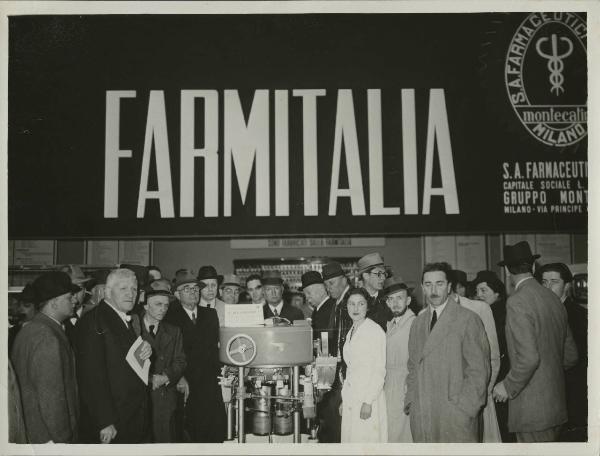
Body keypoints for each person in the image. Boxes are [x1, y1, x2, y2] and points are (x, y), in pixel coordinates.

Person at [492, 241, 578, 442]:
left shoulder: (517, 301)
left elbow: (529, 358)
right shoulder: (553, 299)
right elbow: (571, 356)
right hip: (556, 407)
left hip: (531, 410)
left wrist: (507, 386)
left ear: (506, 270)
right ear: (532, 267)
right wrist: (546, 373)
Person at [405, 262, 490, 442]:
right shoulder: (417, 323)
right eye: (428, 285)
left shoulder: (468, 319)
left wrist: (465, 409)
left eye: (439, 284)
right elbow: (412, 366)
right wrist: (411, 402)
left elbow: (479, 372)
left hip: (454, 416)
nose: (433, 290)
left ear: (449, 286)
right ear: (422, 287)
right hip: (423, 414)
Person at [75, 268, 153, 443]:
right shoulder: (94, 321)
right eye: (123, 288)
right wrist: (104, 421)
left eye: (134, 289)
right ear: (107, 292)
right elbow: (90, 376)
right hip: (114, 421)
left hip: (129, 414)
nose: (130, 294)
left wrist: (145, 349)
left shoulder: (121, 317)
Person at [11, 271, 80, 443]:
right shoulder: (47, 337)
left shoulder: (31, 329)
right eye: (69, 297)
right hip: (49, 439)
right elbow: (51, 398)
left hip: (34, 432)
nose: (75, 300)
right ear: (54, 303)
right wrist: (63, 439)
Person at [164, 270, 226, 442]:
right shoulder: (170, 317)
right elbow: (169, 354)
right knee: (189, 432)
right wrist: (179, 377)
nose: (193, 292)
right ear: (177, 294)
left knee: (214, 430)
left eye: (196, 288)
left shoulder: (210, 314)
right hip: (186, 383)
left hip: (211, 381)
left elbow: (215, 348)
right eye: (187, 288)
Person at [450, 273, 501, 442]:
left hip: (478, 392)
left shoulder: (480, 308)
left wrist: (485, 390)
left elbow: (492, 355)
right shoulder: (427, 313)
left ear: (453, 286)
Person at [134, 287, 186, 442]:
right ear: (145, 306)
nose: (163, 309)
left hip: (165, 397)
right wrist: (150, 379)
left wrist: (165, 377)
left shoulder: (174, 331)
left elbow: (181, 360)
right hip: (141, 396)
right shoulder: (133, 329)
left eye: (166, 305)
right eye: (158, 304)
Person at [339, 288, 387, 442]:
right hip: (352, 398)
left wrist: (368, 401)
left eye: (361, 304)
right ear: (346, 306)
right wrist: (344, 399)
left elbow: (379, 370)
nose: (356, 308)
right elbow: (351, 370)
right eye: (351, 304)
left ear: (368, 306)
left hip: (368, 398)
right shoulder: (352, 330)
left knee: (367, 443)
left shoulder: (374, 330)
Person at [473, 269, 513, 442]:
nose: (479, 295)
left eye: (484, 291)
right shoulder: (487, 312)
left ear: (497, 293)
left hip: (502, 379)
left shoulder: (500, 314)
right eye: (477, 291)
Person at [317, 261, 353, 443]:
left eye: (331, 283)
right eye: (326, 285)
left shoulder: (350, 303)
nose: (328, 288)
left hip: (344, 379)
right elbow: (327, 342)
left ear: (344, 280)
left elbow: (341, 347)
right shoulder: (336, 304)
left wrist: (325, 380)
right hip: (336, 378)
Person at [382, 277, 415, 443]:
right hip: (389, 388)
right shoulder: (392, 325)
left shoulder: (414, 323)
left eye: (399, 298)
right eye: (391, 299)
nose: (395, 303)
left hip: (404, 388)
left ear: (408, 300)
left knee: (402, 437)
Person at [301, 270, 335, 353]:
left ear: (321, 290)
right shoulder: (319, 309)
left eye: (308, 293)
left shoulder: (330, 308)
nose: (307, 298)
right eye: (305, 294)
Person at [357, 252, 390, 331]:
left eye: (384, 273)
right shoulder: (354, 301)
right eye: (378, 274)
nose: (383, 278)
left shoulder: (388, 299)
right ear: (366, 276)